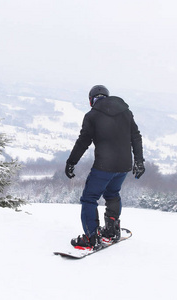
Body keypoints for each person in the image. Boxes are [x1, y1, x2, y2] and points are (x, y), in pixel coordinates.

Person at [65, 84, 145, 249]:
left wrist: (71, 162)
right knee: (112, 194)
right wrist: (139, 161)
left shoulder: (92, 116)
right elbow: (136, 137)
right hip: (124, 165)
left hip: (104, 166)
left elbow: (83, 142)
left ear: (91, 100)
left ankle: (91, 237)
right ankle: (111, 231)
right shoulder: (126, 113)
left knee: (89, 198)